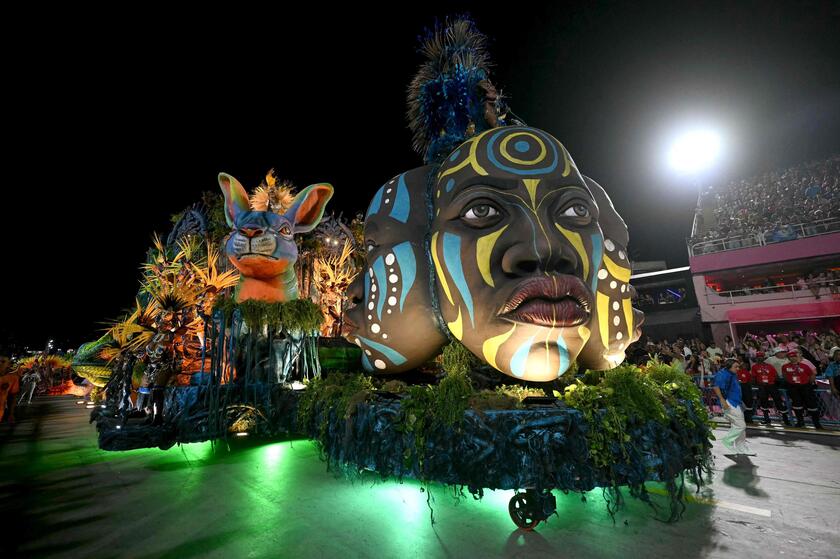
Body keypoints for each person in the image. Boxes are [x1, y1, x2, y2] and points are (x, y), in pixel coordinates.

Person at [713, 359, 755, 455]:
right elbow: (716, 387)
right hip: (729, 402)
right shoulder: (722, 374)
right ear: (729, 366)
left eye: (738, 366)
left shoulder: (732, 373)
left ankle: (741, 447)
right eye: (735, 366)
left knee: (739, 425)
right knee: (741, 425)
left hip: (735, 402)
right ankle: (728, 440)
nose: (738, 368)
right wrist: (723, 401)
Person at [781, 350, 823, 429]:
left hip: (805, 387)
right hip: (793, 387)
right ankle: (800, 422)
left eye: (794, 356)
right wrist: (791, 382)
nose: (793, 358)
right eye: (791, 357)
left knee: (811, 404)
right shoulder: (785, 366)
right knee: (797, 405)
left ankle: (816, 423)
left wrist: (807, 383)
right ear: (788, 358)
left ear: (797, 357)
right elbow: (785, 376)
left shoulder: (804, 366)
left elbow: (812, 375)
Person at [751, 351, 791, 425]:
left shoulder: (770, 366)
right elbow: (753, 378)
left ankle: (786, 420)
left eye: (761, 356)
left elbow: (776, 376)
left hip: (771, 386)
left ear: (764, 358)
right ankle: (767, 419)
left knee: (778, 402)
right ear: (756, 358)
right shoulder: (754, 367)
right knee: (764, 403)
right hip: (762, 386)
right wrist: (757, 384)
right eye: (758, 357)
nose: (760, 358)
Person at [0, 355, 21, 423]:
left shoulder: (13, 378)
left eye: (3, 362)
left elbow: (11, 398)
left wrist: (11, 414)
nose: (0, 363)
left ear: (8, 364)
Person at [736, 358, 755, 423]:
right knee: (739, 404)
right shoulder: (736, 372)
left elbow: (751, 381)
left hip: (747, 388)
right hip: (738, 388)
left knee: (748, 403)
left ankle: (748, 418)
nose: (745, 366)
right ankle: (740, 418)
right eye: (743, 364)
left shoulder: (748, 373)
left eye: (746, 365)